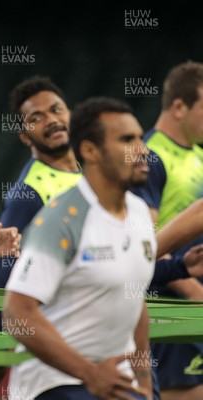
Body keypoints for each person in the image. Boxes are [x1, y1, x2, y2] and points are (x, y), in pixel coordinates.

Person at [4, 97, 155, 399]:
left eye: (140, 137)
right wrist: (90, 373)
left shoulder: (139, 212)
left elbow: (135, 301)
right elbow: (16, 313)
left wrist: (145, 385)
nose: (143, 150)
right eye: (127, 140)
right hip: (57, 383)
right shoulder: (62, 218)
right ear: (89, 151)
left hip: (117, 381)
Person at [0, 76, 82, 386]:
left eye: (56, 110)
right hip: (54, 351)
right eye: (37, 118)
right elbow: (2, 273)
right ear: (24, 136)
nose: (51, 120)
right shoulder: (29, 192)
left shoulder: (92, 172)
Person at [130, 61, 203, 399]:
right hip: (170, 308)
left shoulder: (198, 155)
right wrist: (191, 290)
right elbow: (143, 239)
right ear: (178, 106)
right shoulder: (150, 157)